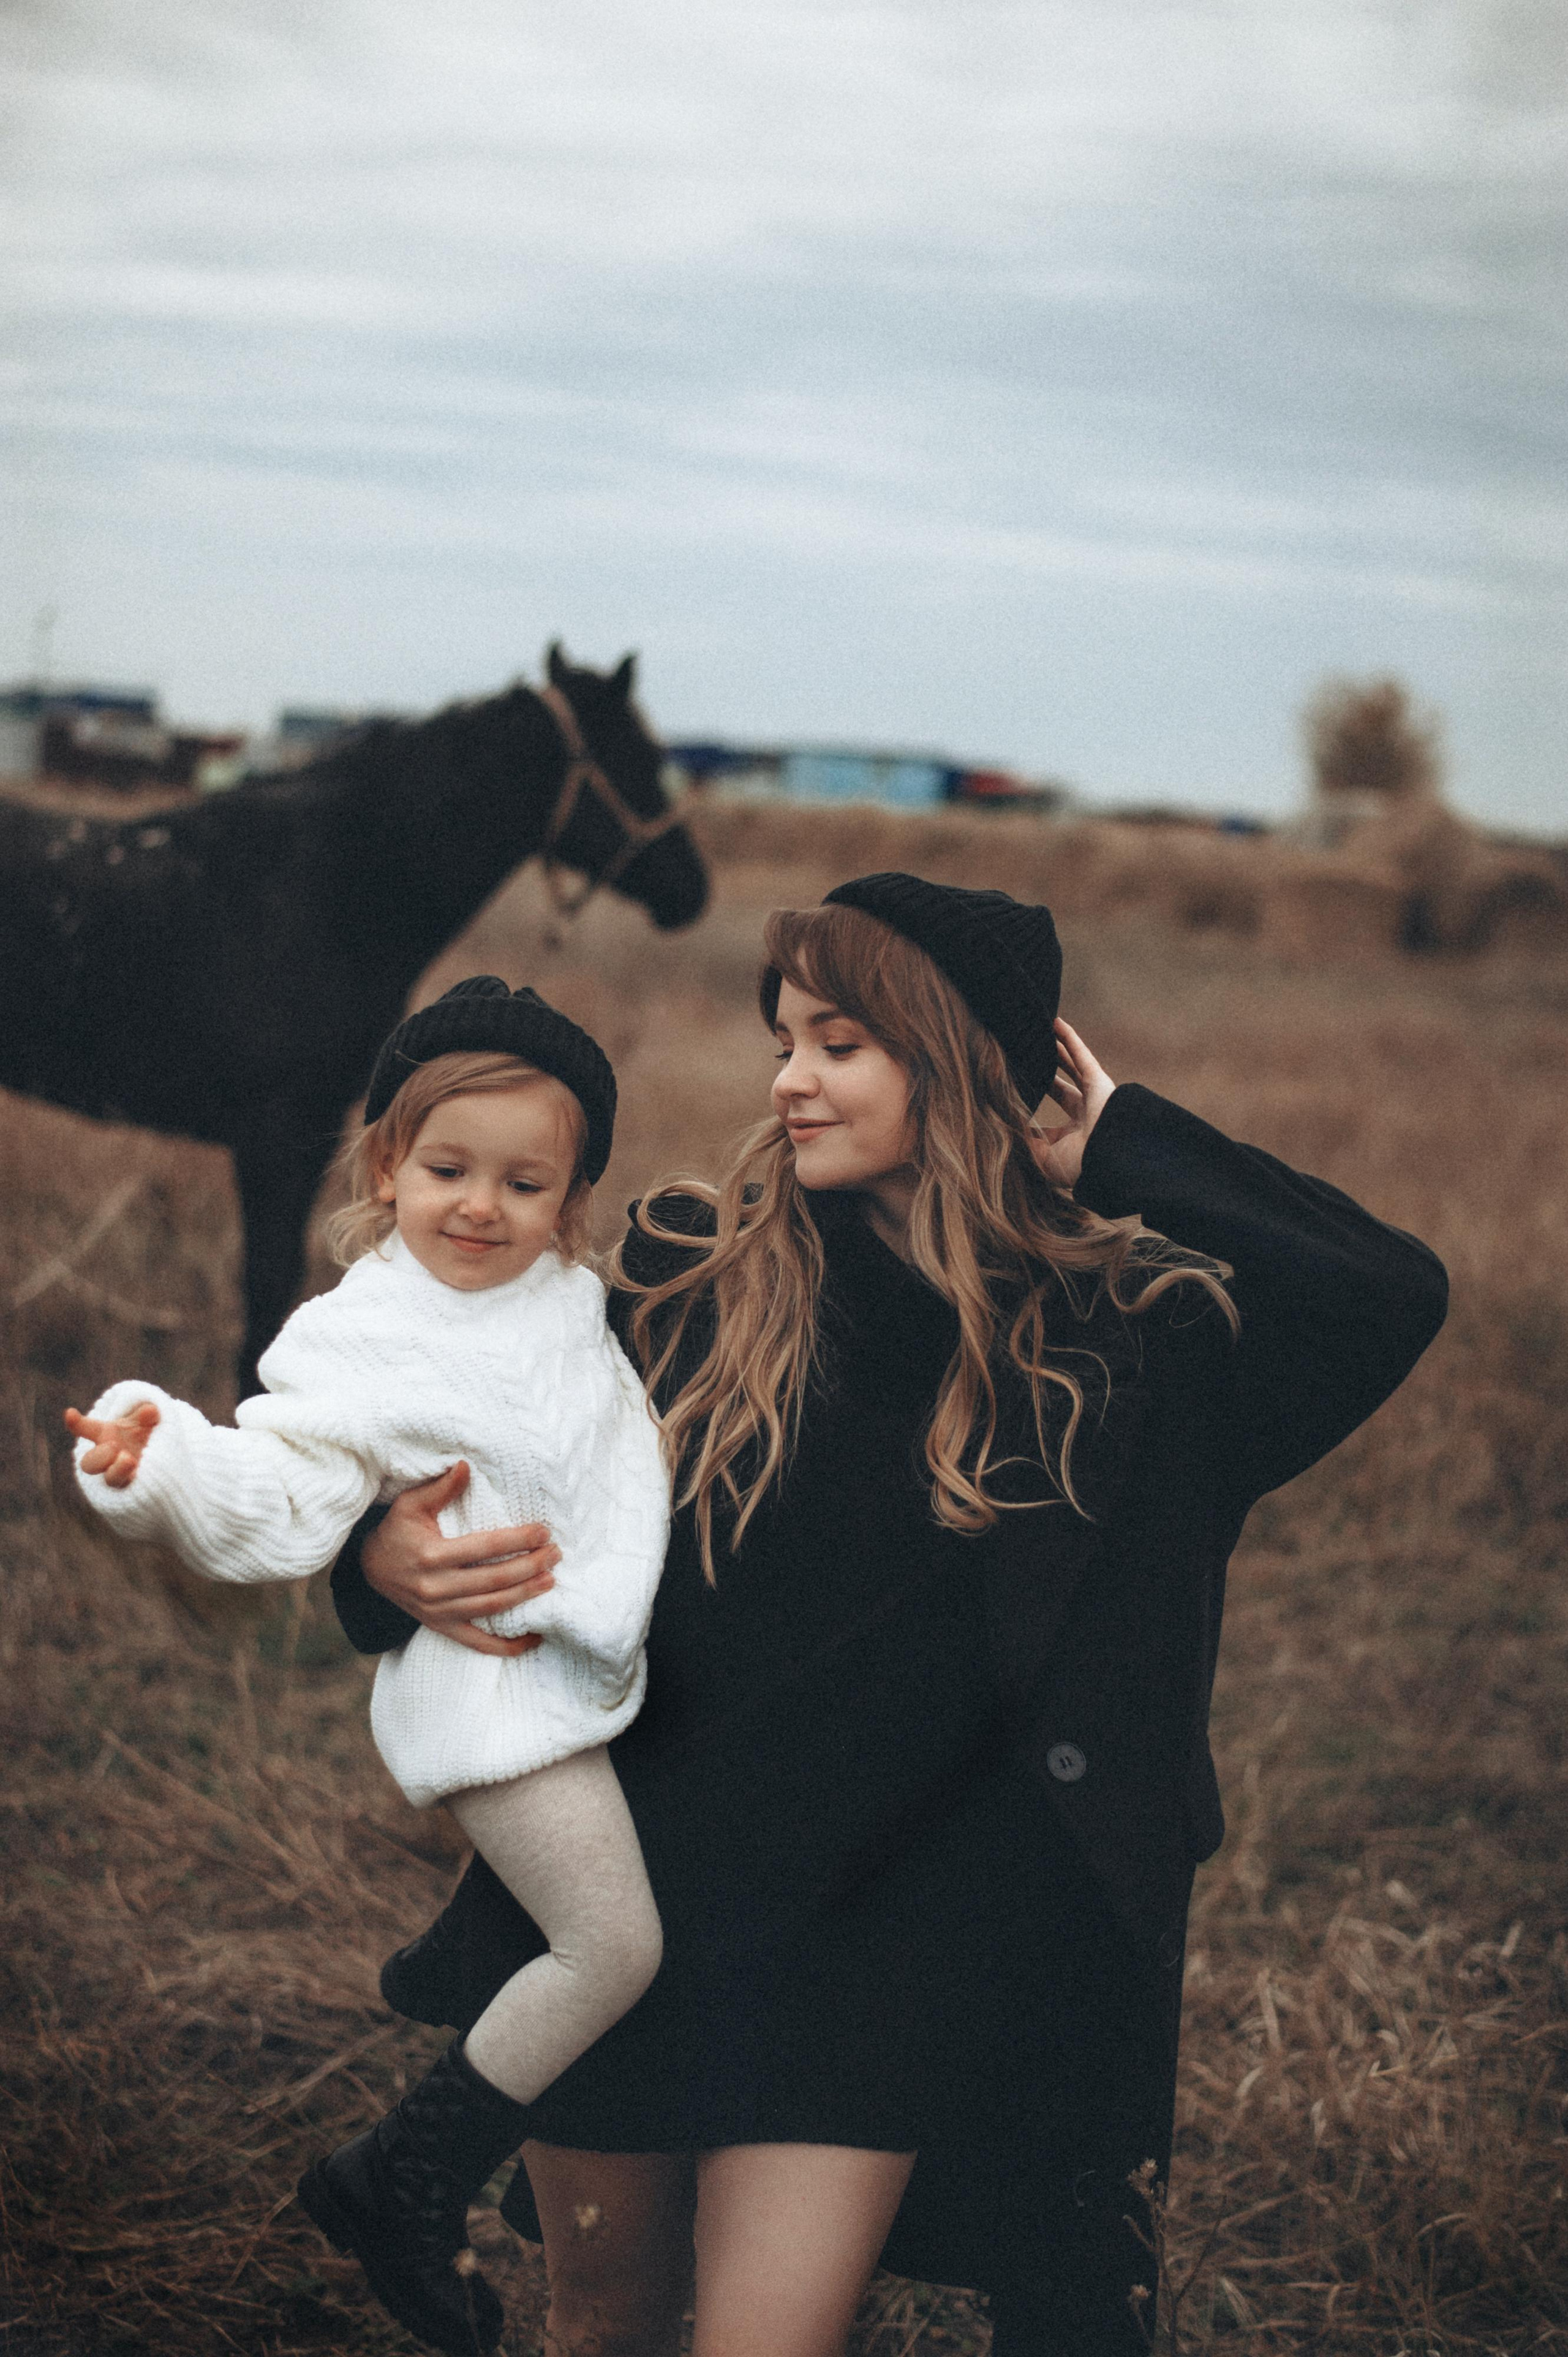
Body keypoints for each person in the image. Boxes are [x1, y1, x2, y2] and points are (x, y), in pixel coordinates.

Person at [330, 875, 1449, 2357]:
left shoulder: (1123, 1355)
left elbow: (1384, 1294)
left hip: (880, 1962)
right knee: (600, 2324)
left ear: (961, 1058)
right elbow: (423, 1432)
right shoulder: (689, 1283)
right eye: (783, 1040)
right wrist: (378, 1558)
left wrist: (1124, 1141)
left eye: (839, 1043)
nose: (787, 1079)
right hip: (632, 1908)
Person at [66, 977, 670, 2357]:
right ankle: (402, 2177)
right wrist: (159, 1454)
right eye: (448, 1169)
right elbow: (280, 1482)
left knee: (603, 1928)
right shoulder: (363, 1336)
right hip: (496, 1697)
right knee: (612, 1946)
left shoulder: (567, 1300)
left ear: (572, 1200)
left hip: (585, 1678)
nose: (481, 1207)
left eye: (525, 1183)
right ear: (387, 1163)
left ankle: (455, 1986)